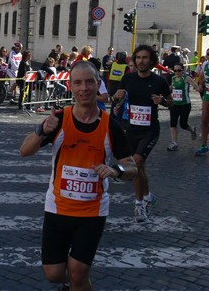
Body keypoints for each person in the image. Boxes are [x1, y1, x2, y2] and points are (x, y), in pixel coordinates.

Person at [20, 60, 137, 291]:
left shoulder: (110, 126)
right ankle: (77, 284)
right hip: (57, 208)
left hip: (92, 212)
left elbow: (132, 168)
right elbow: (25, 151)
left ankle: (77, 282)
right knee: (54, 274)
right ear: (70, 87)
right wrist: (42, 130)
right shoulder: (59, 120)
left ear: (98, 84)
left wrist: (115, 171)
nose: (84, 88)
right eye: (78, 83)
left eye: (89, 82)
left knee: (78, 271)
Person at [112, 45, 172, 223]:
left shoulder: (159, 81)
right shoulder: (128, 78)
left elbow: (171, 102)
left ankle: (139, 205)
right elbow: (115, 98)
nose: (141, 61)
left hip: (150, 130)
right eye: (138, 58)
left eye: (145, 58)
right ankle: (148, 196)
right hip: (131, 130)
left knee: (136, 164)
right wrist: (117, 97)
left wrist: (162, 101)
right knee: (140, 168)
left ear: (151, 61)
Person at [167, 65, 198, 151]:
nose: (177, 72)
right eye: (175, 70)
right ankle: (174, 143)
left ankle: (192, 129)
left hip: (185, 105)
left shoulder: (186, 78)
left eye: (179, 70)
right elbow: (170, 88)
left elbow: (196, 86)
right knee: (173, 123)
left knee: (183, 124)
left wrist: (201, 90)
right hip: (174, 104)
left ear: (183, 70)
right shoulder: (173, 78)